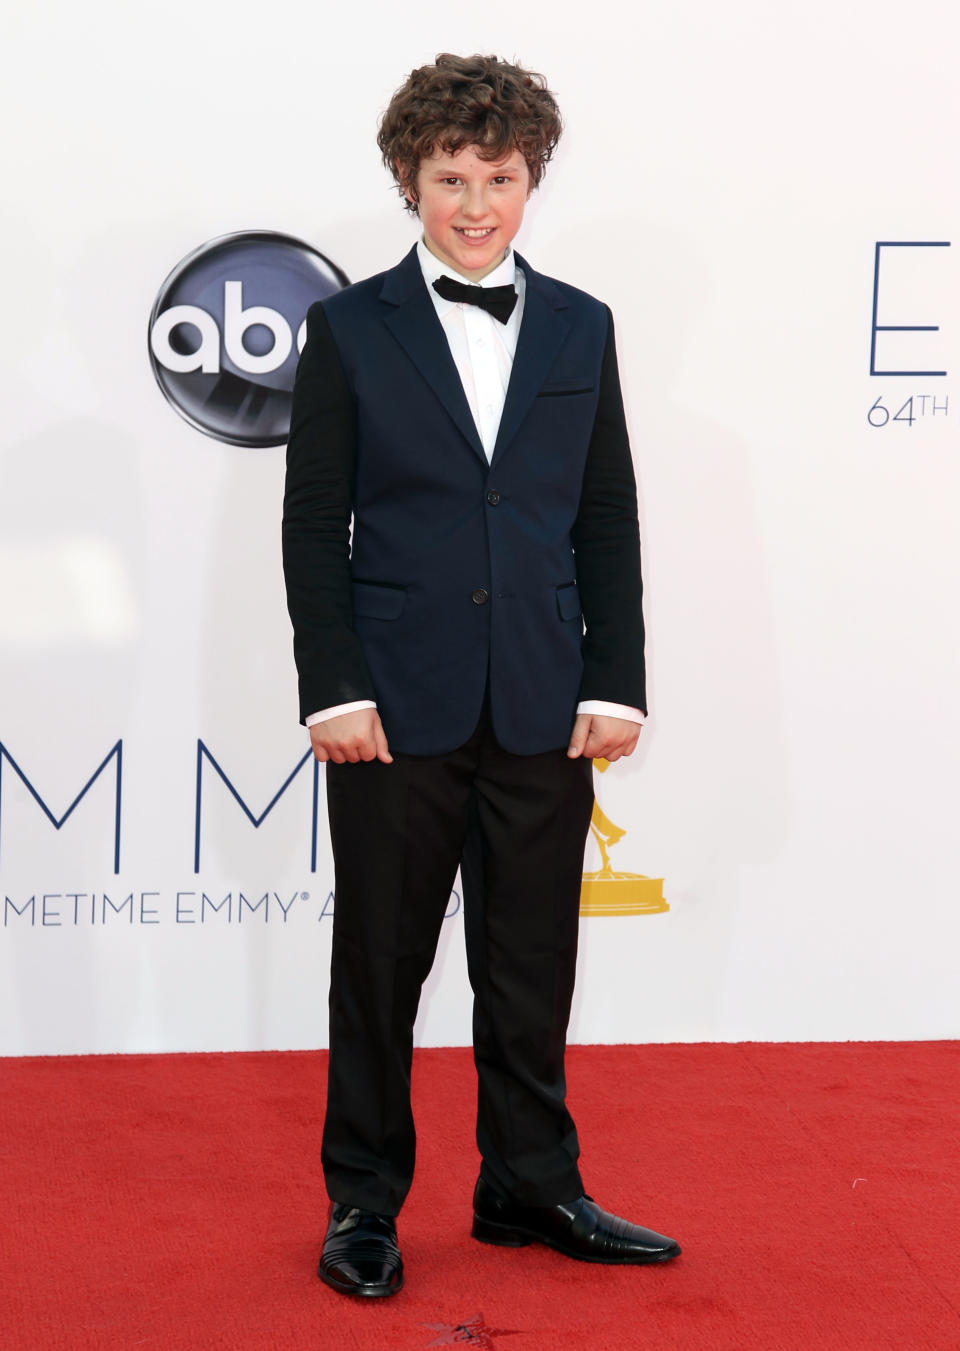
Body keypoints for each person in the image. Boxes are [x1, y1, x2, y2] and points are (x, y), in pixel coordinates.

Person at [282, 52, 680, 1298]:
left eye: (498, 178)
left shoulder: (580, 323)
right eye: (450, 176)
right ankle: (363, 1204)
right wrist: (334, 687)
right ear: (409, 180)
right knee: (380, 966)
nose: (474, 203)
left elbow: (603, 512)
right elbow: (314, 524)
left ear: (530, 180)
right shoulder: (349, 328)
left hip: (542, 698)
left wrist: (614, 679)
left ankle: (527, 1181)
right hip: (394, 708)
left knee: (529, 961)